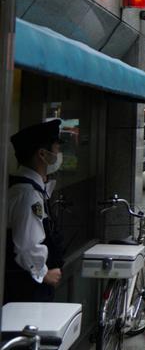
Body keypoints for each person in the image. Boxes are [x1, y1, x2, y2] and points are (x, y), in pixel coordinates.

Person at [6, 119, 65, 302]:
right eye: (56, 149)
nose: (58, 154)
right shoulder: (28, 194)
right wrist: (44, 273)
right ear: (42, 154)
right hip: (26, 288)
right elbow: (27, 245)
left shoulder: (33, 189)